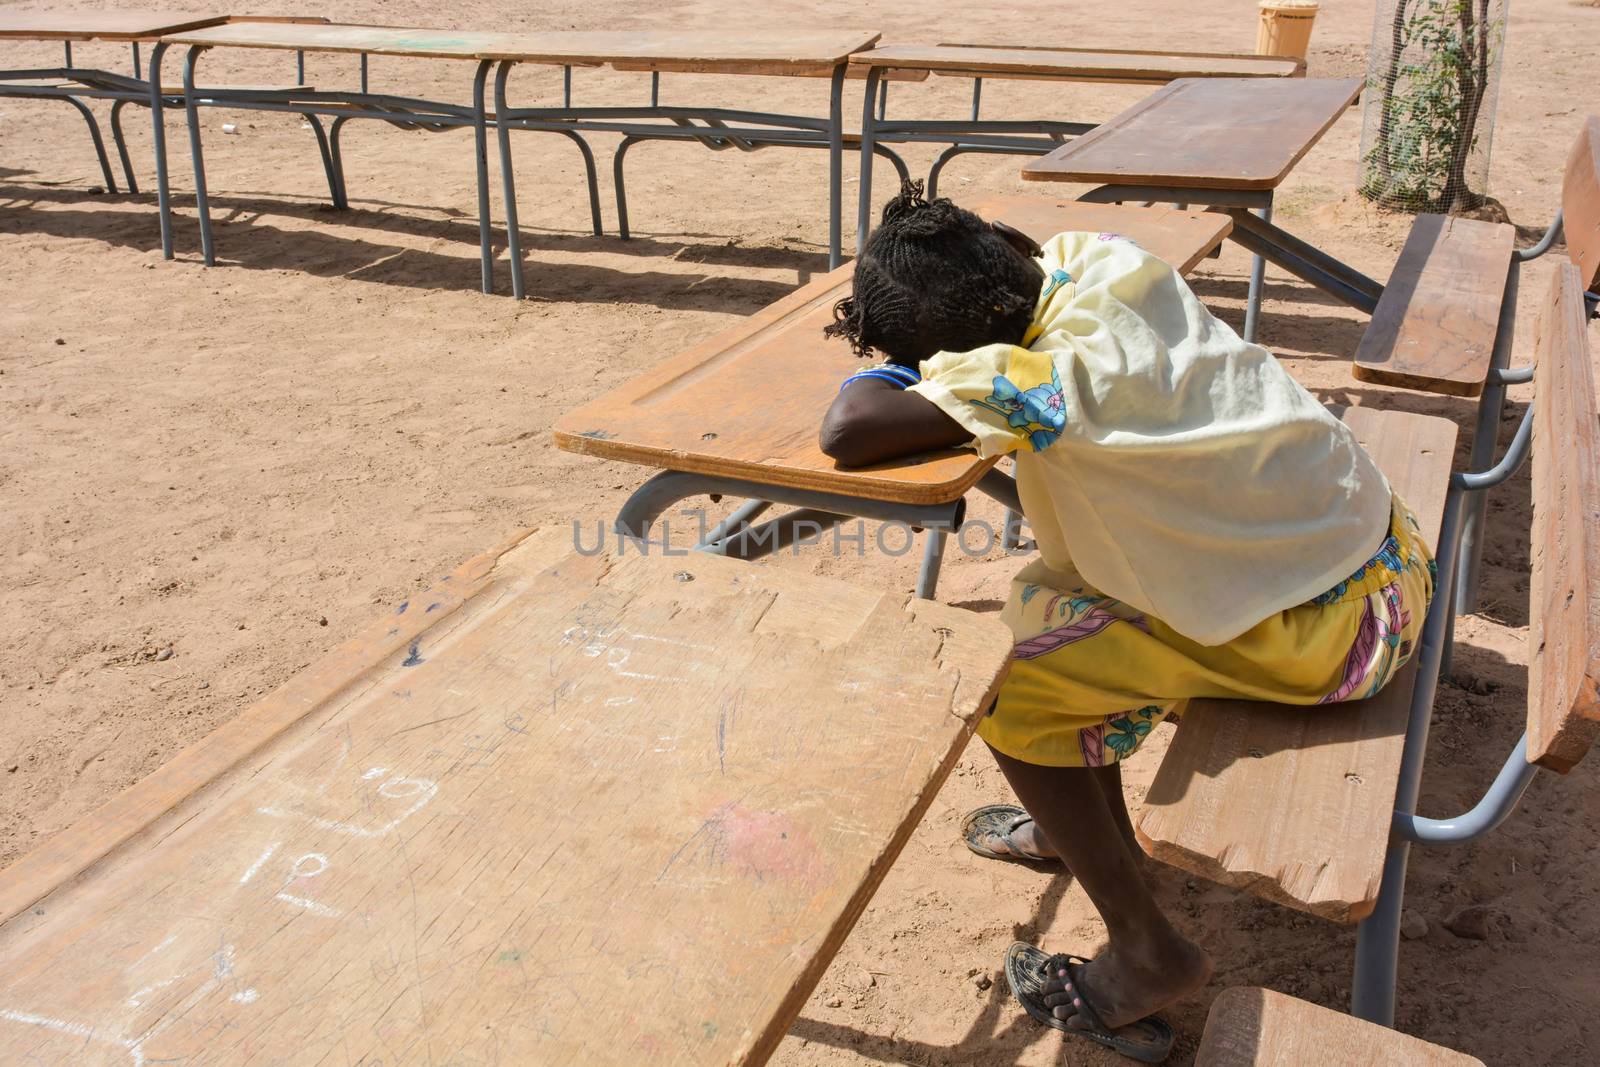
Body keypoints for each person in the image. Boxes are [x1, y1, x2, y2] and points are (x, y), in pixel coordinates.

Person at [819, 185, 1434, 1062]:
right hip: (1386, 553)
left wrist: (899, 366)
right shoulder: (1097, 257)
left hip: (1336, 637)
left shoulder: (1030, 380)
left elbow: (847, 428)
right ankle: (1078, 829)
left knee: (1015, 686)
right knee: (1060, 602)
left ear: (961, 356)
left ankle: (1148, 952)